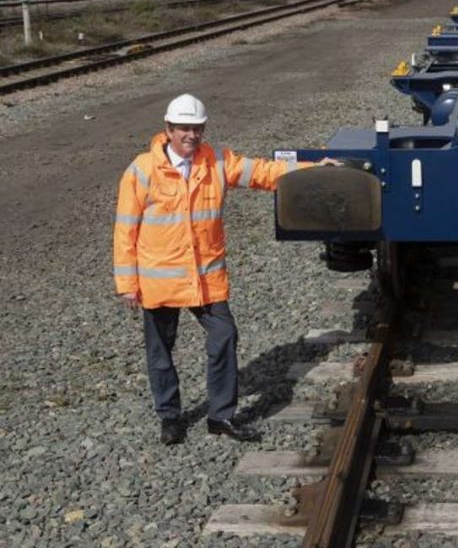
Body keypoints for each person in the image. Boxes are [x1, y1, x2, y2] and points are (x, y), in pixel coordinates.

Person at [113, 94, 338, 445]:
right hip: (159, 281)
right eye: (184, 128)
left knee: (225, 337)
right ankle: (170, 417)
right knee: (160, 353)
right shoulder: (141, 170)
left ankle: (220, 416)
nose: (191, 135)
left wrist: (311, 170)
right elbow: (125, 228)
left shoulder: (216, 161)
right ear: (168, 129)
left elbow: (263, 172)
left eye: (197, 129)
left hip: (204, 279)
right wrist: (127, 283)